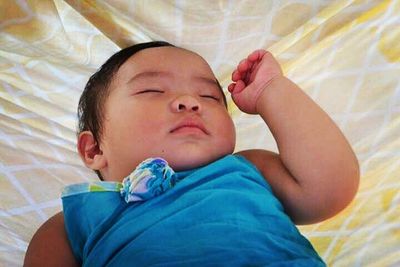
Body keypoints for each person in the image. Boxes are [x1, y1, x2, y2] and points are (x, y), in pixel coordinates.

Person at [24, 41, 360, 266]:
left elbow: (330, 188)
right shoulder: (71, 223)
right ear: (95, 148)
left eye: (210, 96)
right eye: (152, 89)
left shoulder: (248, 169)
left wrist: (272, 92)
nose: (190, 101)